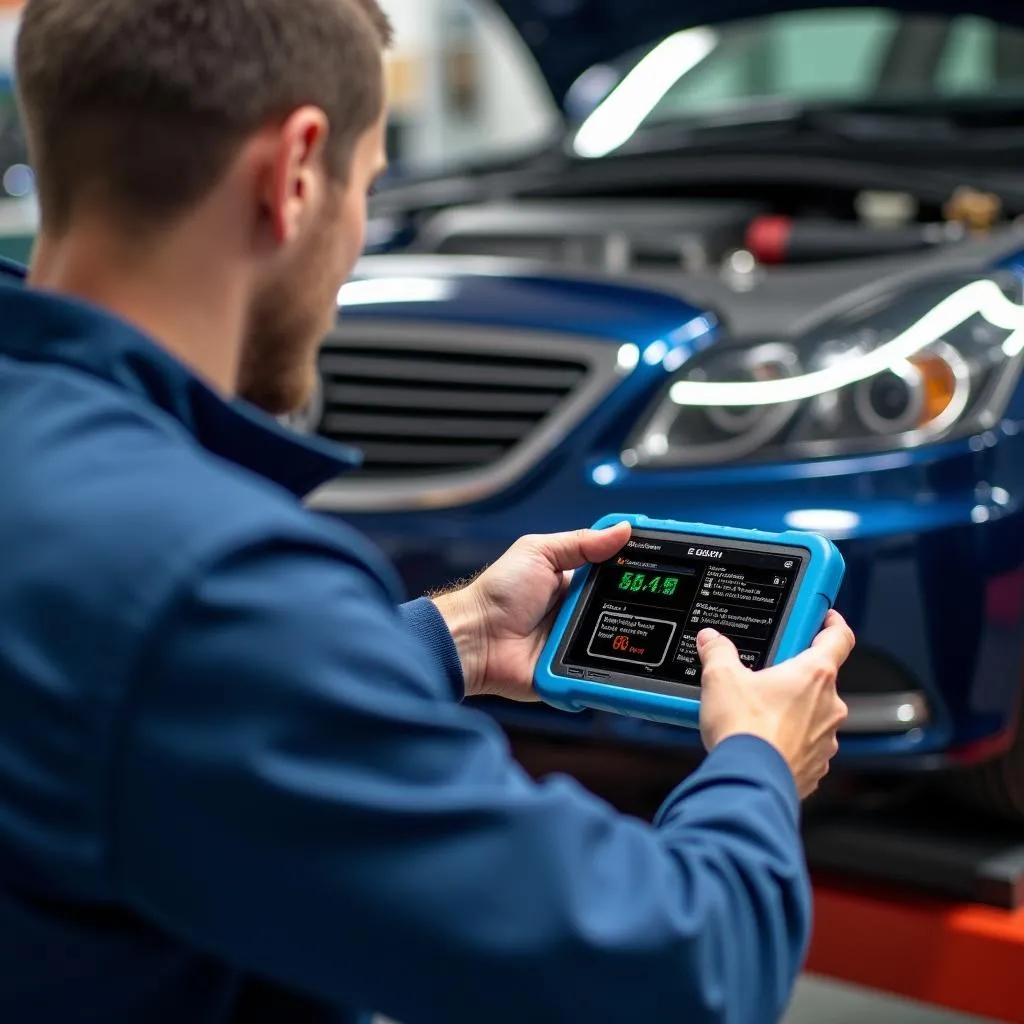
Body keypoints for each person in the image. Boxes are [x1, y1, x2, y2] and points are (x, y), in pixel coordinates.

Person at [0, 1, 853, 1022]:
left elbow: (152, 709)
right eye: (366, 188)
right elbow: (679, 970)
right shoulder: (204, 578)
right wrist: (758, 763)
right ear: (296, 173)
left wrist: (457, 634)